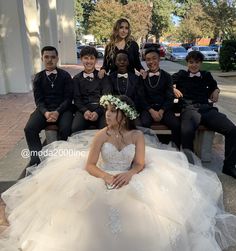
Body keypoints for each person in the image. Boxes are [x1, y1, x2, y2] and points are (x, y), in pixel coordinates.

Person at [1, 94, 236, 251]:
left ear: (124, 114)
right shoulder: (101, 135)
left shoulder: (137, 136)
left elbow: (140, 163)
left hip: (128, 174)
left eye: (113, 111)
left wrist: (130, 174)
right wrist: (105, 176)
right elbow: (90, 165)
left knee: (147, 205)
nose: (108, 115)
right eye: (107, 111)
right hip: (102, 174)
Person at [172, 50, 236, 178]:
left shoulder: (206, 75)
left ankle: (229, 166)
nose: (194, 65)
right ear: (187, 63)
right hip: (189, 109)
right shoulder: (181, 74)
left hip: (206, 109)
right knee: (186, 132)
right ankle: (188, 165)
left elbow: (214, 87)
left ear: (200, 63)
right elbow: (167, 83)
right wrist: (173, 88)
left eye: (196, 62)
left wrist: (217, 91)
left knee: (232, 130)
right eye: (191, 62)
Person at [24, 46, 73, 166]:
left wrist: (57, 112)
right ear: (42, 58)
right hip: (44, 110)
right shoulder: (38, 77)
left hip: (63, 109)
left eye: (53, 57)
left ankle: (62, 158)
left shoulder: (65, 76)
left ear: (57, 58)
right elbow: (39, 100)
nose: (49, 60)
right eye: (46, 57)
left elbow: (68, 99)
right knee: (29, 128)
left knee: (66, 127)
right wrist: (46, 112)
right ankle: (36, 160)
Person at [139, 47, 180, 148]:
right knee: (143, 124)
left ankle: (174, 150)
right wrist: (151, 111)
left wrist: (161, 111)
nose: (151, 62)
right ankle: (148, 149)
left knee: (176, 125)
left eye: (154, 58)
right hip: (148, 109)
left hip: (164, 109)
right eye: (148, 59)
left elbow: (170, 96)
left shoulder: (167, 77)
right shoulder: (142, 77)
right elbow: (140, 97)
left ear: (159, 59)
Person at [72, 46, 112, 133]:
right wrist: (85, 111)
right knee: (75, 128)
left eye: (92, 58)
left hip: (100, 109)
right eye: (86, 58)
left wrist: (97, 112)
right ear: (81, 59)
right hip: (83, 109)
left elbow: (107, 97)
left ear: (96, 60)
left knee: (105, 129)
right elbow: (77, 99)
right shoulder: (76, 78)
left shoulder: (103, 77)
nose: (89, 61)